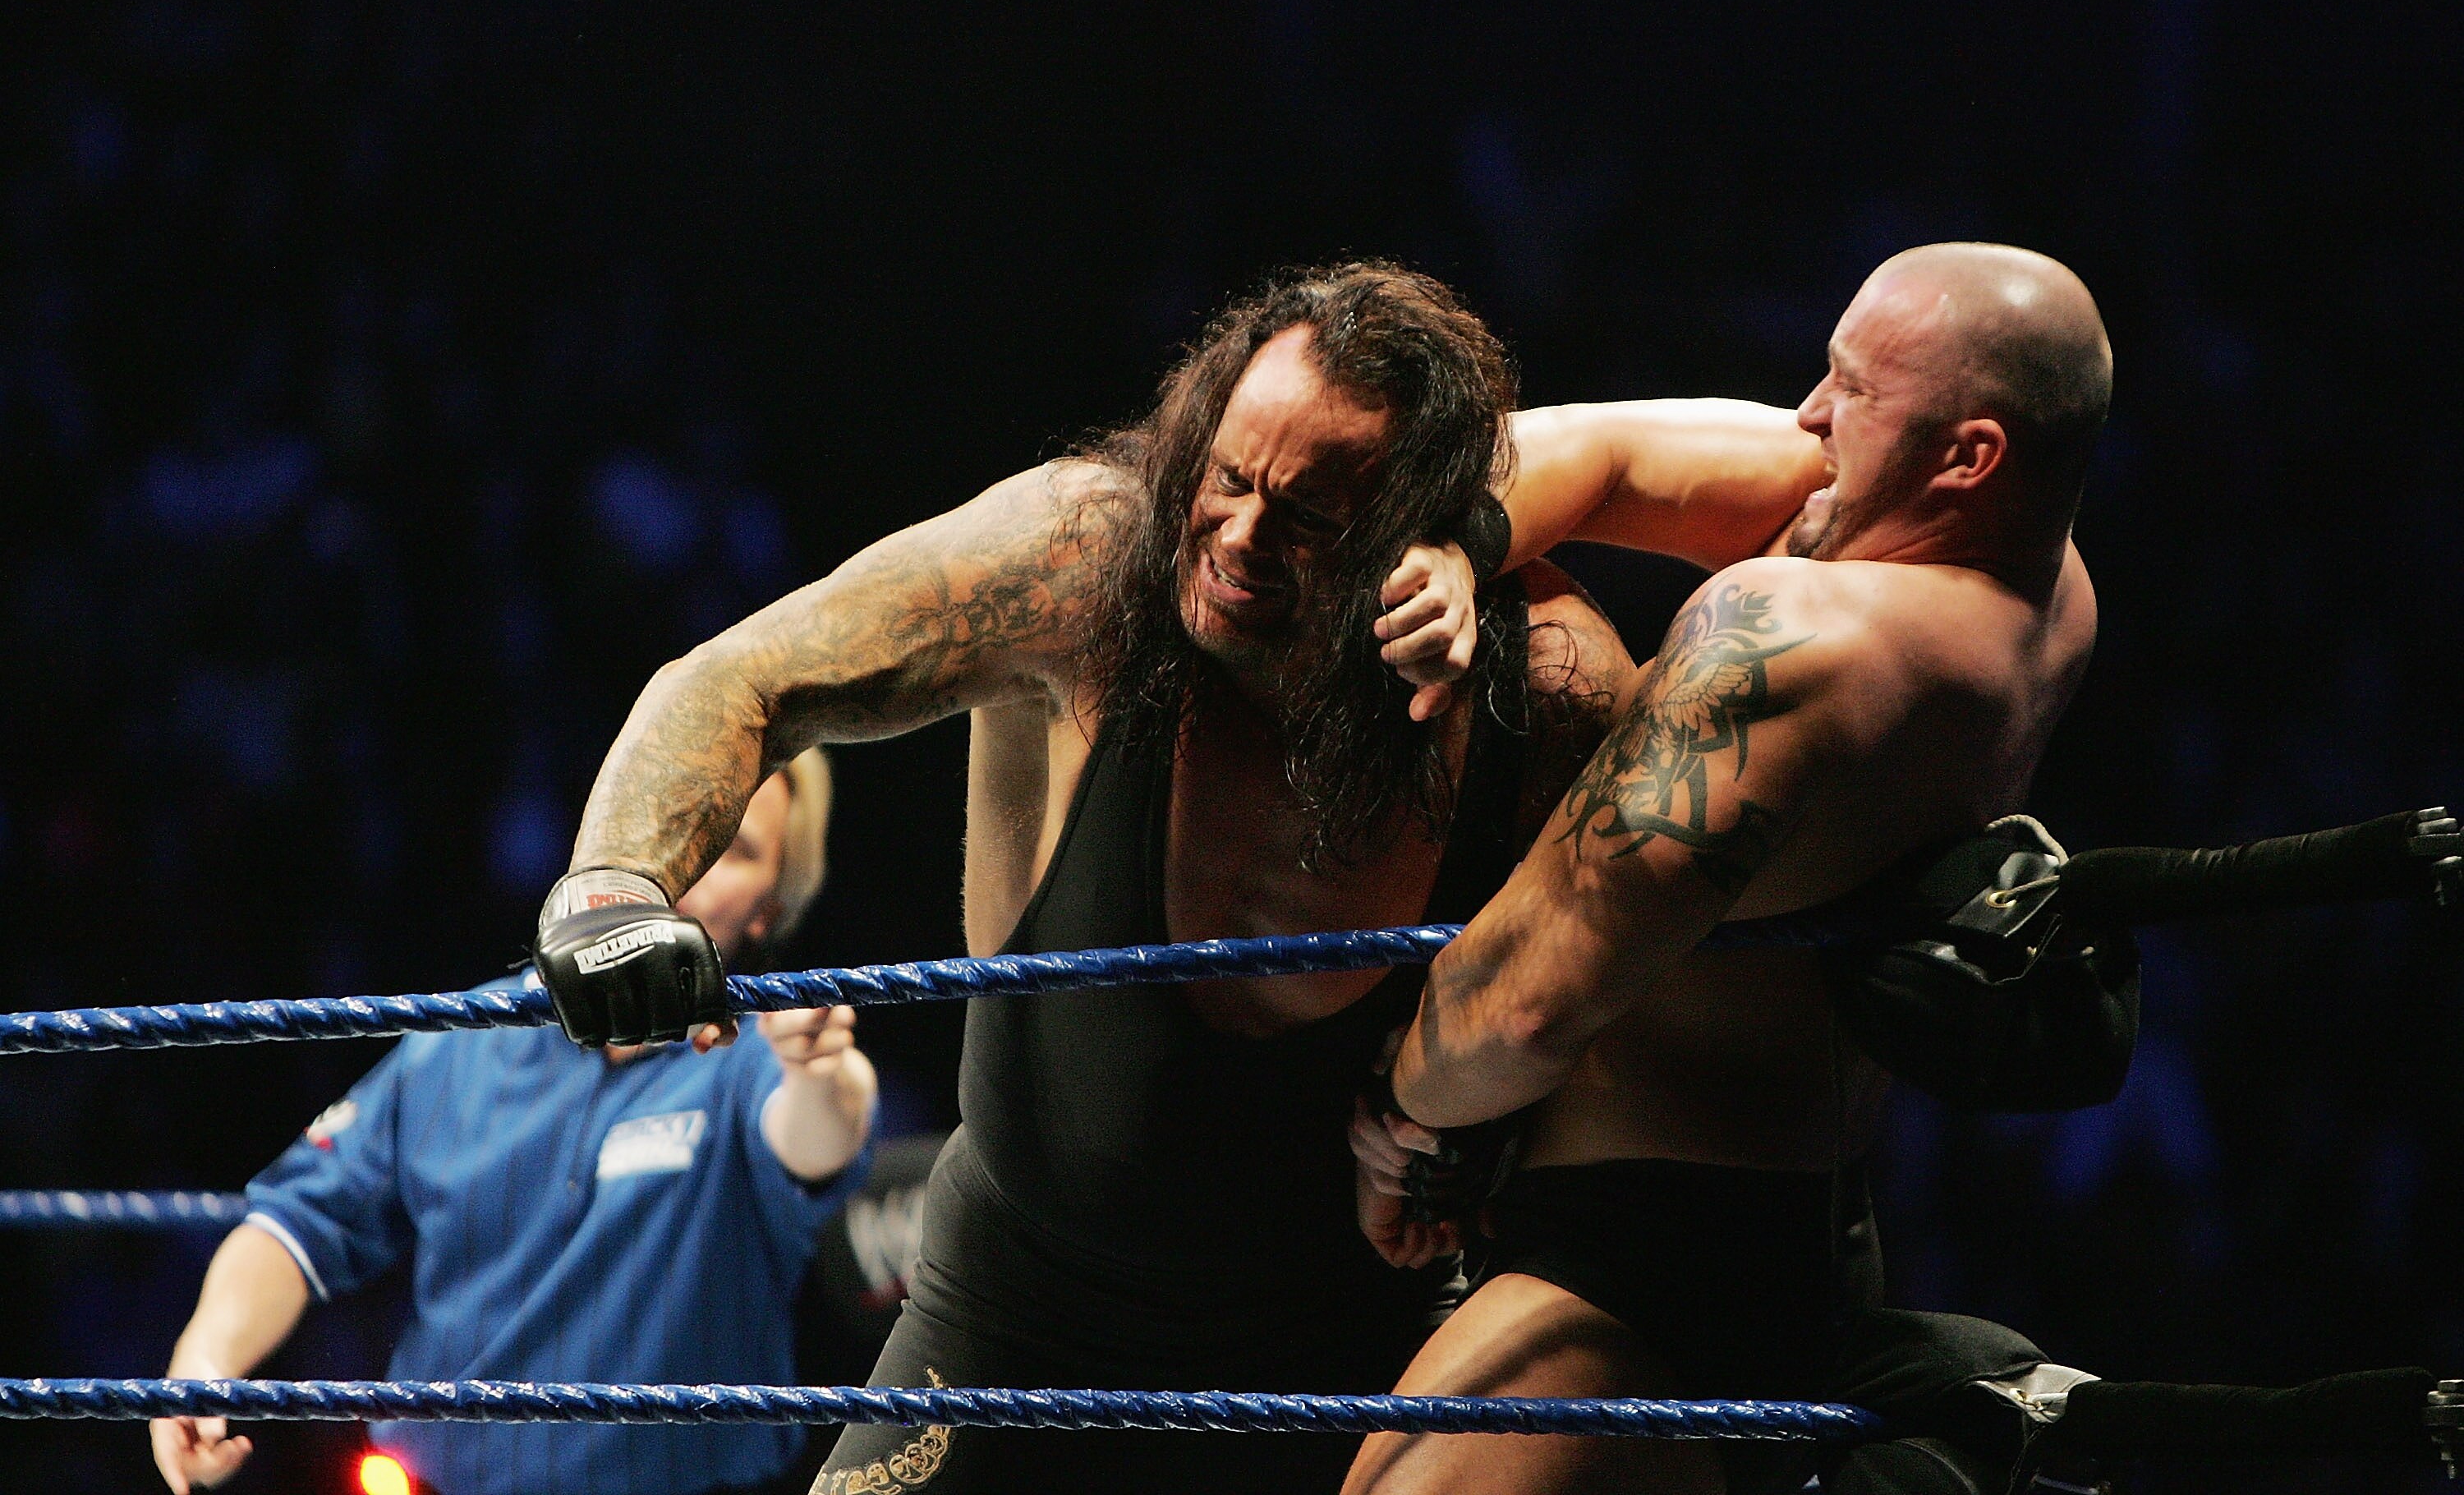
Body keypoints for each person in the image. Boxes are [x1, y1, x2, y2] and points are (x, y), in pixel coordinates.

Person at [523, 262, 1846, 1494]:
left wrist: (1461, 1137)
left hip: (1333, 1350)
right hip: (1014, 1305)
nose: (1238, 534)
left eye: (1310, 515)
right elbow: (745, 676)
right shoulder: (1090, 557)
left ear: (1422, 523)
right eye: (1226, 477)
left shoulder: (1544, 688)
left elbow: (1615, 998)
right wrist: (612, 887)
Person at [1346, 242, 2112, 1495]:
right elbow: (1610, 453)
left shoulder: (1811, 638)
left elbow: (1518, 1004)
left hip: (1638, 1249)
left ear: (1968, 456)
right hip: (1805, 1204)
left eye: (1852, 391)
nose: (1808, 416)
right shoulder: (2043, 582)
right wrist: (1460, 551)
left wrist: (1404, 1109)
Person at [151, 750, 876, 1495]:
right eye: (679, 823)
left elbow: (819, 1135)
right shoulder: (462, 1040)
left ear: (767, 911)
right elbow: (295, 1224)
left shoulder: (763, 1050)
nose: (690, 862)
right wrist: (203, 1364)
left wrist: (820, 1071)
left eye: (735, 848)